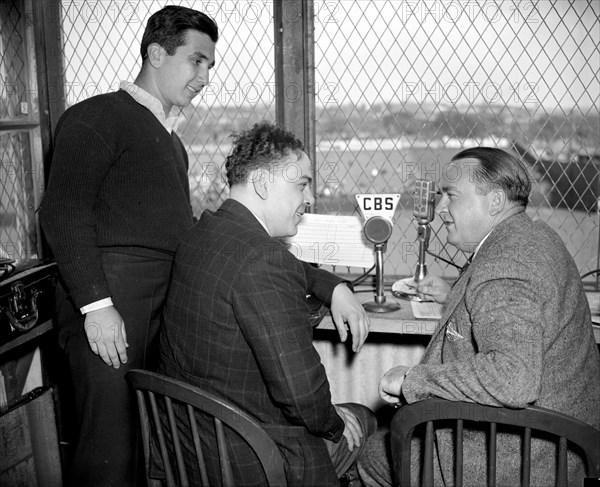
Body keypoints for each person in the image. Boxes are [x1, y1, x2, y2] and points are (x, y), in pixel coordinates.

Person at [38, 6, 218, 486]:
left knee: (142, 446)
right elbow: (63, 213)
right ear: (156, 53)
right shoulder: (95, 117)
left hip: (155, 302)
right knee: (109, 453)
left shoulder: (171, 142)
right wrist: (97, 306)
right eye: (196, 60)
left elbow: (182, 231)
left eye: (210, 66)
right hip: (110, 299)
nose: (205, 76)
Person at [357, 147, 600, 486]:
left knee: (374, 455)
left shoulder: (507, 265)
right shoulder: (530, 238)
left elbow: (514, 379)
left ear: (495, 201)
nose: (441, 209)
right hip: (558, 451)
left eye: (451, 196)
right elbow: (506, 302)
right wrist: (453, 296)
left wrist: (413, 380)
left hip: (523, 464)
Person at [158, 121, 377, 486]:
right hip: (251, 459)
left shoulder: (203, 232)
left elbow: (276, 266)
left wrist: (334, 287)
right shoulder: (263, 260)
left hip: (190, 447)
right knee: (363, 419)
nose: (308, 199)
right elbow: (305, 398)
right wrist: (334, 421)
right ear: (262, 183)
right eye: (301, 185)